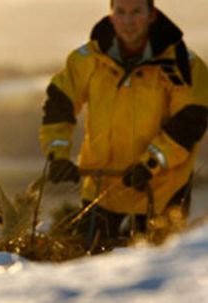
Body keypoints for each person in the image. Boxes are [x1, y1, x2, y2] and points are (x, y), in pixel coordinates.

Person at [39, 0, 208, 247]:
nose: (128, 21)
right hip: (102, 187)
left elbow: (189, 123)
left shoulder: (184, 65)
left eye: (136, 12)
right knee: (88, 267)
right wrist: (58, 155)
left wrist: (150, 162)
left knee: (154, 275)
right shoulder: (87, 59)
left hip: (160, 188)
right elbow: (59, 105)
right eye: (121, 12)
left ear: (152, 15)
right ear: (111, 16)